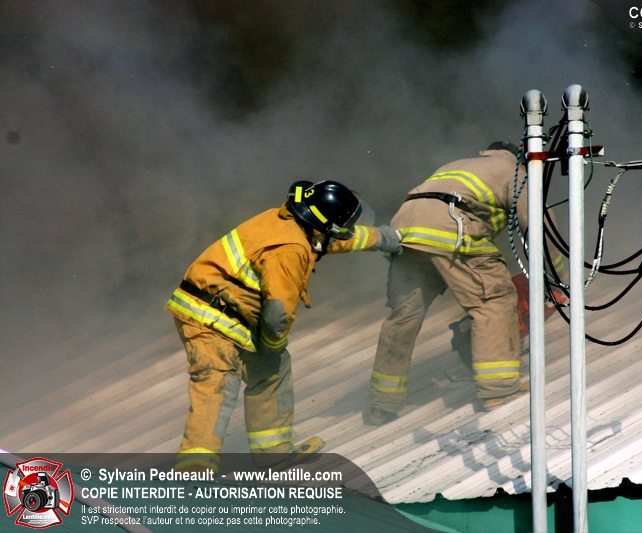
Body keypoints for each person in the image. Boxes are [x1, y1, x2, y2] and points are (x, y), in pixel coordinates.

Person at [166, 180, 401, 472]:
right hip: (208, 317)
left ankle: (273, 457)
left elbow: (332, 239)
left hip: (232, 313)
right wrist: (273, 345)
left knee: (272, 371)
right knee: (217, 385)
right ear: (322, 224)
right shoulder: (290, 249)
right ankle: (193, 472)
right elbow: (277, 314)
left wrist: (382, 238)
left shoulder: (288, 221)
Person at [367, 141, 566, 425]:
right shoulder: (515, 172)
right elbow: (541, 228)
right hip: (449, 227)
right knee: (494, 303)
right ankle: (499, 390)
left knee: (404, 317)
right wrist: (557, 277)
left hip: (404, 232)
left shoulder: (459, 165)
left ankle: (382, 404)